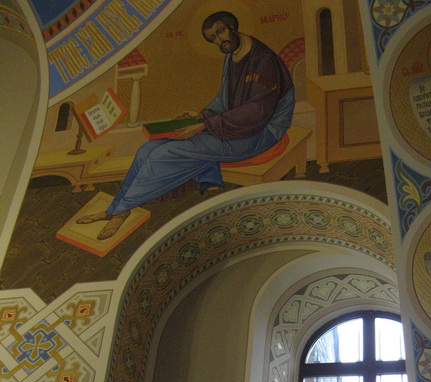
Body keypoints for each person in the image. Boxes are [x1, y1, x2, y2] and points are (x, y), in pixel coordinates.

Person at [77, 11, 294, 240]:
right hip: (233, 126)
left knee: (164, 153)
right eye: (213, 38)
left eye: (221, 32)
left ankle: (120, 212)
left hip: (261, 132)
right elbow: (225, 98)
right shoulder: (233, 54)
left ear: (232, 26)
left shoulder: (263, 60)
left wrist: (205, 125)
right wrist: (201, 115)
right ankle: (115, 209)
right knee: (147, 149)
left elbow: (257, 112)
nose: (219, 41)